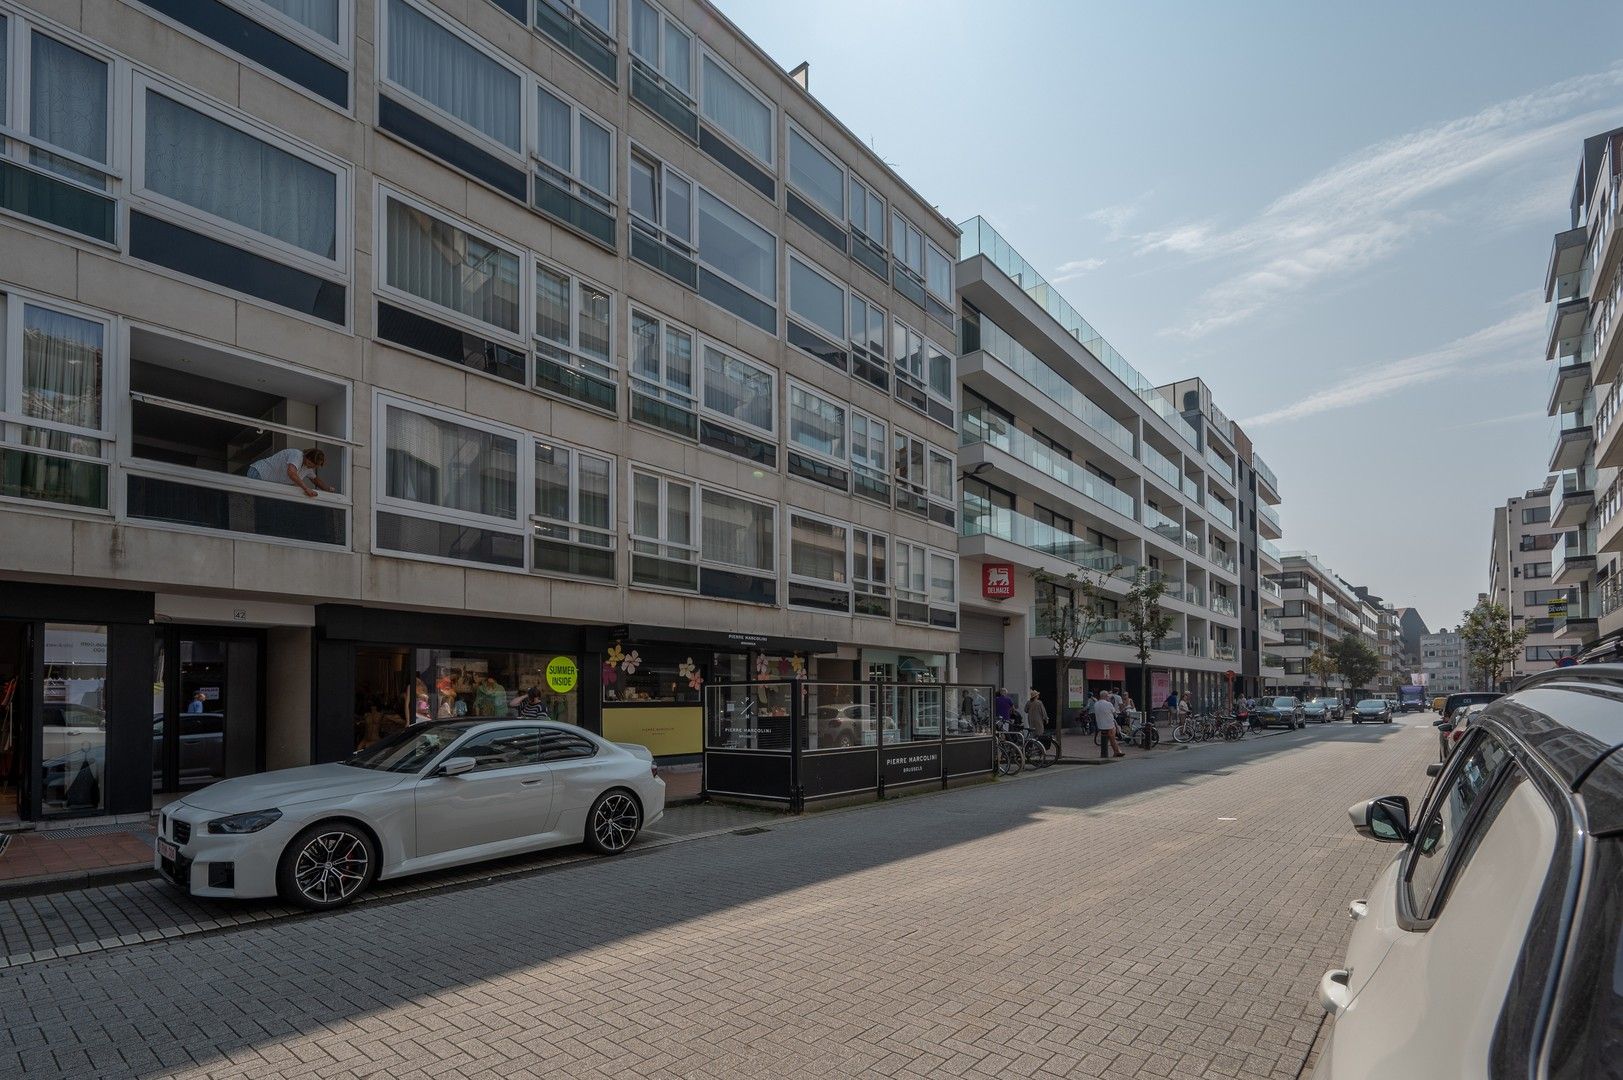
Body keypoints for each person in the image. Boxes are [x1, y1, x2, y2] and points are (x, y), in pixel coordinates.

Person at [246, 447, 334, 499]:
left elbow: (315, 480)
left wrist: (328, 489)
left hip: (267, 482)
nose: (312, 467)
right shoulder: (297, 455)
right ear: (308, 457)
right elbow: (291, 473)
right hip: (259, 473)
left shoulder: (307, 467)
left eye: (315, 466)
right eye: (312, 464)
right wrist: (306, 488)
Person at [1092, 693, 1123, 758]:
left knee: (1111, 738)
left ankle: (1117, 751)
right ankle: (1117, 751)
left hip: (1100, 725)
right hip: (1109, 725)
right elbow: (1114, 713)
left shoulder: (1096, 704)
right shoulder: (1108, 704)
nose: (1109, 698)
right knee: (1113, 737)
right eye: (1108, 697)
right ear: (1106, 696)